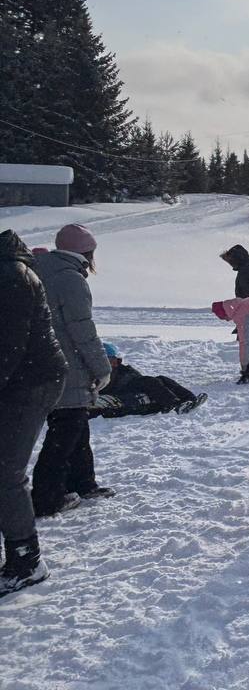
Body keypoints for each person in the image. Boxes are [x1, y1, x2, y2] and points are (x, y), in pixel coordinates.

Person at [30, 224, 115, 518]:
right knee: (65, 431)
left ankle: (83, 483)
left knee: (76, 425)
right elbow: (82, 331)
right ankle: (47, 498)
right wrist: (102, 368)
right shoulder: (70, 278)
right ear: (85, 252)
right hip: (66, 366)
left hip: (41, 363)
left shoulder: (40, 270)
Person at [0, 230, 68, 598]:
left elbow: (8, 347)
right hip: (18, 379)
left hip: (31, 383)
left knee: (5, 472)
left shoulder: (12, 275)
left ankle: (26, 562)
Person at [90, 342, 206, 417]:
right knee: (149, 382)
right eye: (112, 360)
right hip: (122, 391)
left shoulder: (118, 368)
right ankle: (175, 405)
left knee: (161, 379)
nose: (115, 363)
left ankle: (190, 399)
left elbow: (133, 374)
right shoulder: (97, 373)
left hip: (131, 385)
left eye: (116, 360)